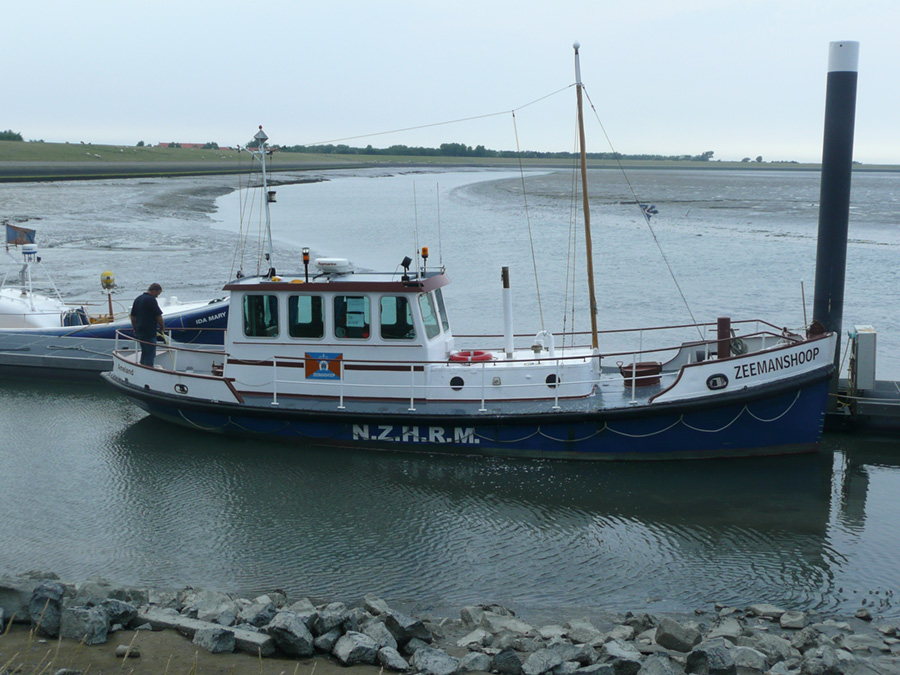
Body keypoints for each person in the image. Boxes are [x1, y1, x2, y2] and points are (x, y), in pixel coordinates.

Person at [130, 283, 165, 366]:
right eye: (158, 294)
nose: (157, 296)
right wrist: (162, 326)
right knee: (150, 353)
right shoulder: (151, 300)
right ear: (154, 291)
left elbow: (132, 316)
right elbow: (158, 315)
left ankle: (142, 367)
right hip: (149, 331)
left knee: (144, 352)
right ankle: (148, 368)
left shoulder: (138, 299)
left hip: (140, 331)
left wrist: (134, 328)